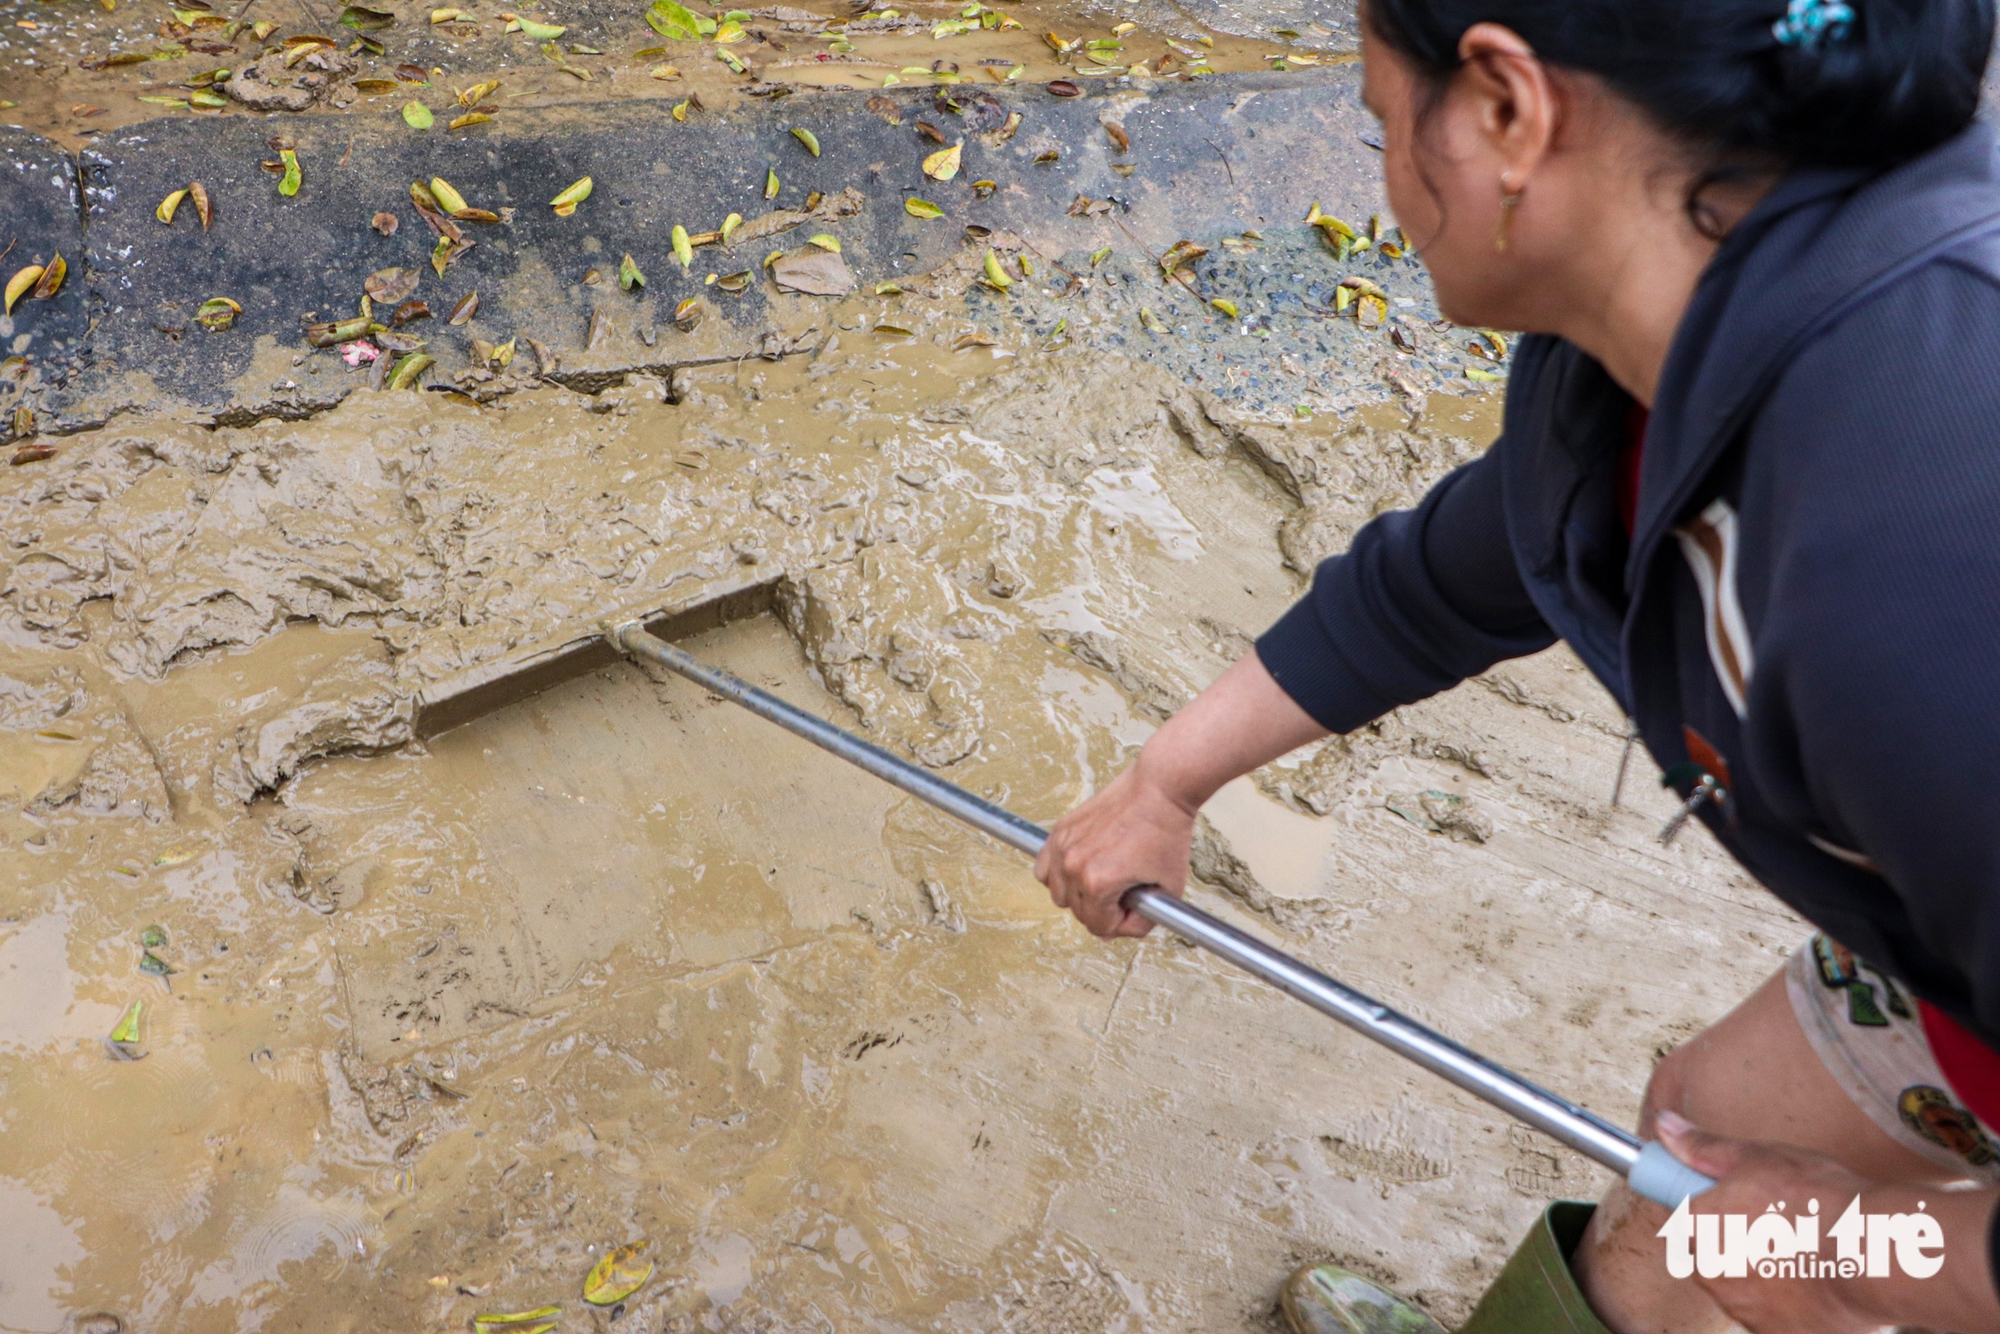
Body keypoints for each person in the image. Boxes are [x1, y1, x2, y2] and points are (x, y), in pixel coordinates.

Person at [1032, 0, 2000, 1327]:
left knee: (1785, 1252)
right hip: (1955, 988)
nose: (1380, 176)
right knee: (1692, 1167)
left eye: (1380, 119)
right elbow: (1468, 567)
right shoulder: (1670, 348)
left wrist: (1852, 1240)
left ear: (1505, 107)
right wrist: (1165, 781)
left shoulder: (1915, 580)